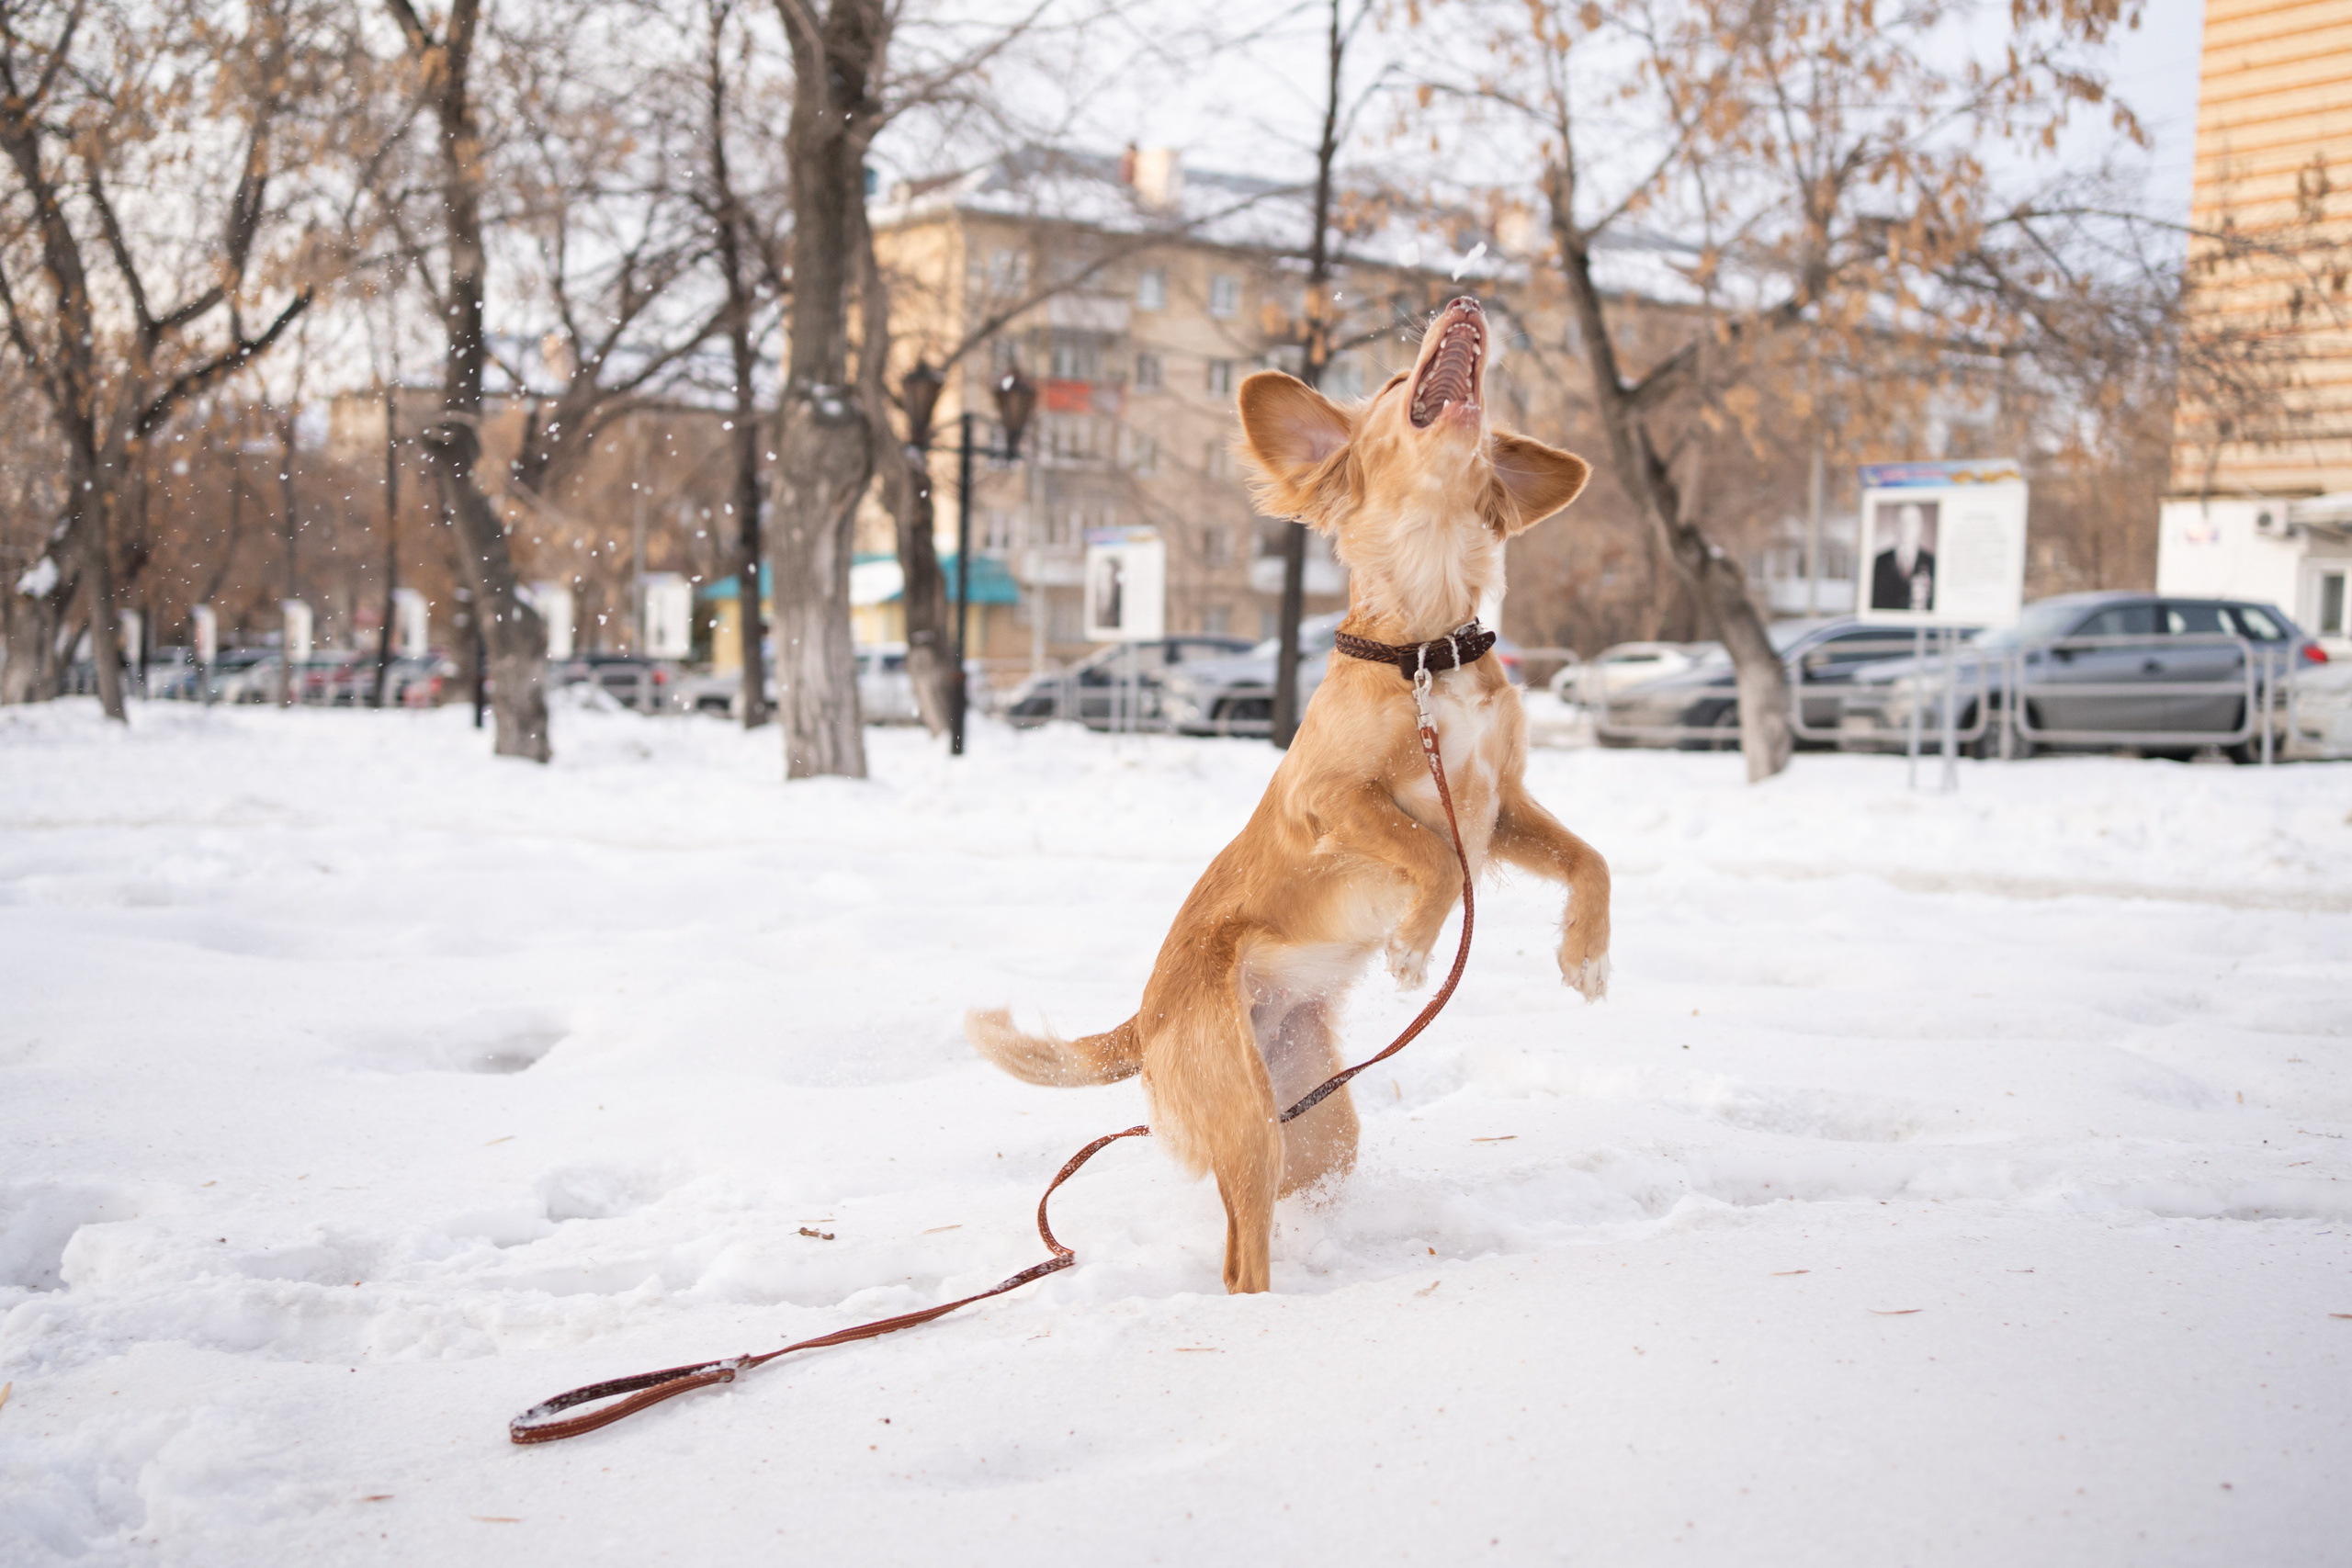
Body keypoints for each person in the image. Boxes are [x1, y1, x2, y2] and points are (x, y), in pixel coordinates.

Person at [1871, 502, 1936, 612]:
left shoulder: (1932, 562)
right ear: (1895, 525)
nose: (1907, 527)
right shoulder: (1878, 561)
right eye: (1902, 521)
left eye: (1912, 522)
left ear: (1920, 526)